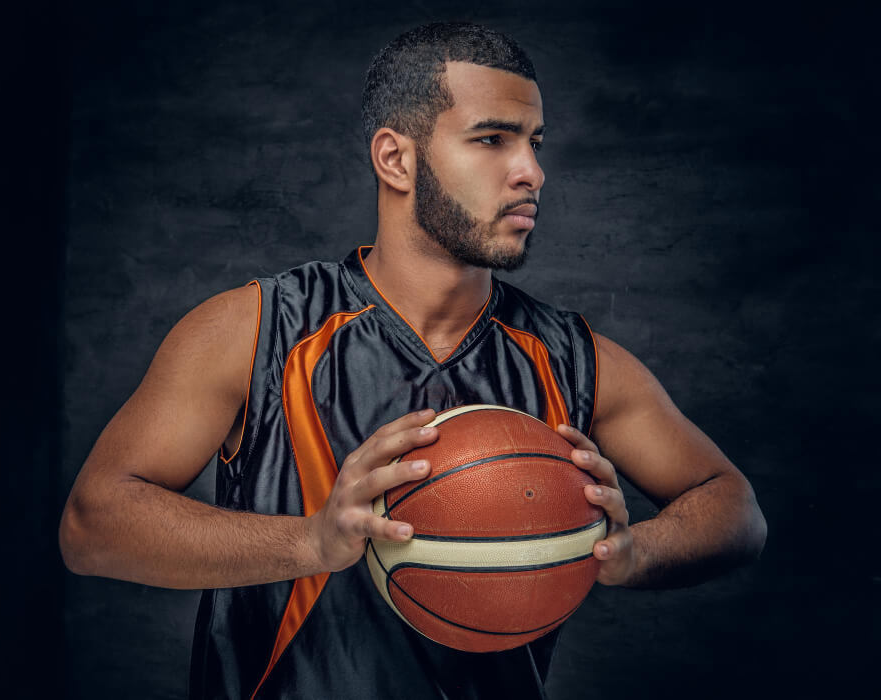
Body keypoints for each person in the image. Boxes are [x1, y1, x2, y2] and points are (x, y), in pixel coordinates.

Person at [59, 22, 767, 699]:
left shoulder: (574, 359)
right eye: (492, 139)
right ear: (396, 158)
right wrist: (311, 542)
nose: (532, 172)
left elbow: (734, 508)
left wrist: (636, 553)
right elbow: (93, 526)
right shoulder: (255, 330)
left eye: (534, 142)